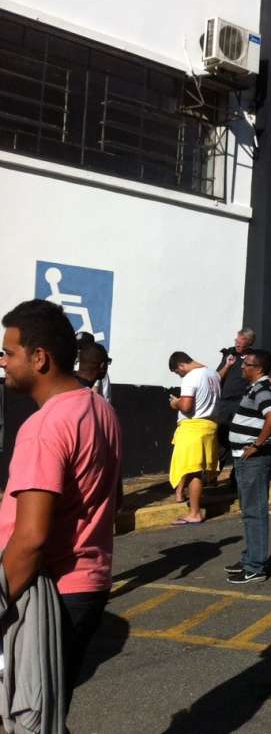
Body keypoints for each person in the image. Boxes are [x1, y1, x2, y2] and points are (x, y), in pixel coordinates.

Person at [0, 299, 123, 712]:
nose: (3, 362)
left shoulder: (44, 426)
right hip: (87, 586)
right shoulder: (101, 409)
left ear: (39, 358)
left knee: (23, 716)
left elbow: (30, 539)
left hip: (46, 592)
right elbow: (113, 497)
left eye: (8, 352)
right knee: (45, 711)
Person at [224, 349, 271, 584]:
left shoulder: (262, 389)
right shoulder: (256, 387)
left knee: (255, 512)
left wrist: (257, 444)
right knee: (249, 511)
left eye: (246, 364)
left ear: (258, 369)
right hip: (244, 458)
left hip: (255, 460)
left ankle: (256, 567)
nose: (242, 367)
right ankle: (250, 559)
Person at [168, 351, 221, 523]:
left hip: (193, 428)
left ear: (181, 365)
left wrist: (175, 403)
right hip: (209, 425)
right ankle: (184, 498)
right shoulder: (213, 374)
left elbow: (186, 406)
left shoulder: (191, 377)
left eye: (178, 372)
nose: (180, 375)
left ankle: (195, 512)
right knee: (191, 467)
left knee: (192, 471)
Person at [215, 328, 256, 468]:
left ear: (249, 342)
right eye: (236, 340)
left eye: (241, 341)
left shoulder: (254, 357)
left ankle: (237, 474)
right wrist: (228, 364)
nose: (237, 343)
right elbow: (217, 377)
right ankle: (213, 474)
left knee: (240, 438)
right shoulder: (229, 354)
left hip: (242, 403)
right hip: (225, 403)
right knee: (221, 438)